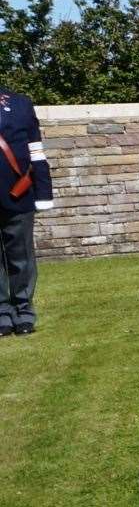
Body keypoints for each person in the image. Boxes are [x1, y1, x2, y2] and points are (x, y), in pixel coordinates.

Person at [0, 87, 54, 337]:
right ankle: (2, 313)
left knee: (21, 258)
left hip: (16, 194)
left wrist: (43, 192)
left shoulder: (20, 103)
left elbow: (36, 152)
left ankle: (23, 311)